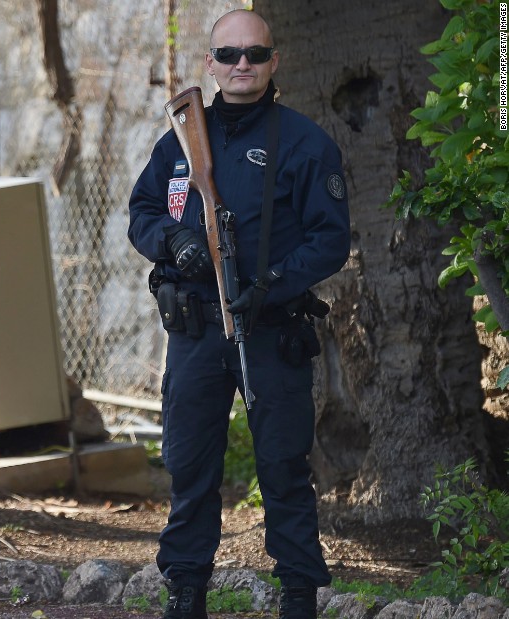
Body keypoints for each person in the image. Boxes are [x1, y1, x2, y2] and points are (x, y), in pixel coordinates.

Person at [127, 9, 350, 619]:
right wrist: (178, 244)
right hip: (196, 331)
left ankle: (299, 595)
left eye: (254, 54)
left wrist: (271, 285)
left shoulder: (306, 144)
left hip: (270, 329)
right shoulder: (179, 139)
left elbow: (329, 241)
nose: (242, 65)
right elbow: (142, 212)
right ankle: (186, 591)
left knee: (282, 466)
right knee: (190, 462)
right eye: (228, 55)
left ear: (275, 61)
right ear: (210, 63)